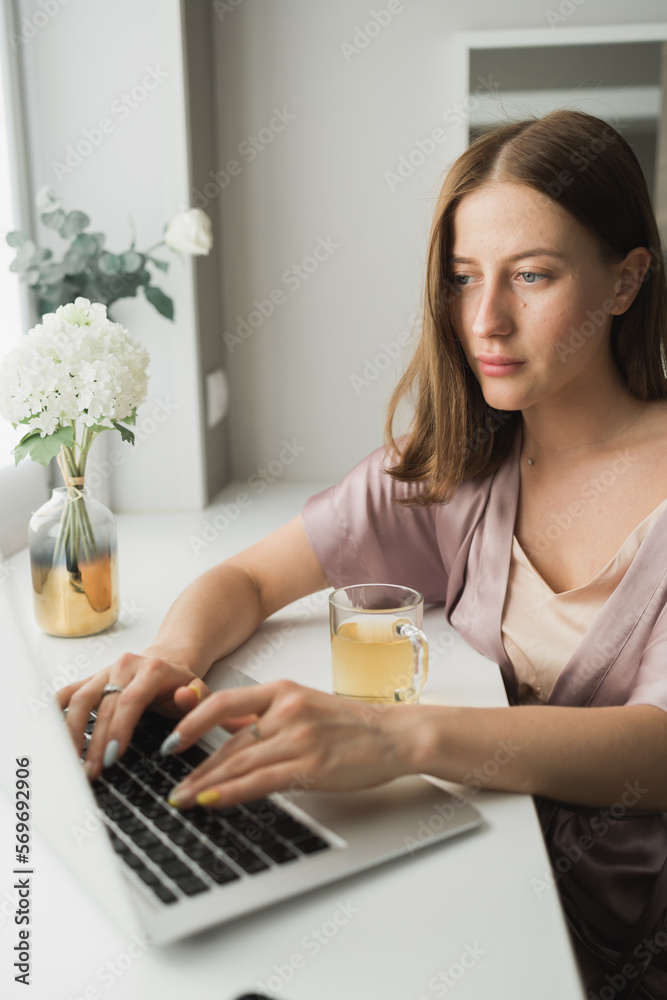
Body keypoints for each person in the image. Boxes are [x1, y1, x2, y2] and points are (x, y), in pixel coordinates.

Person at [58, 109, 667, 997]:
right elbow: (251, 576)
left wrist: (396, 734)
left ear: (625, 281)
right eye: (463, 278)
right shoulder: (463, 463)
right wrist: (167, 662)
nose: (486, 319)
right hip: (494, 876)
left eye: (531, 276)